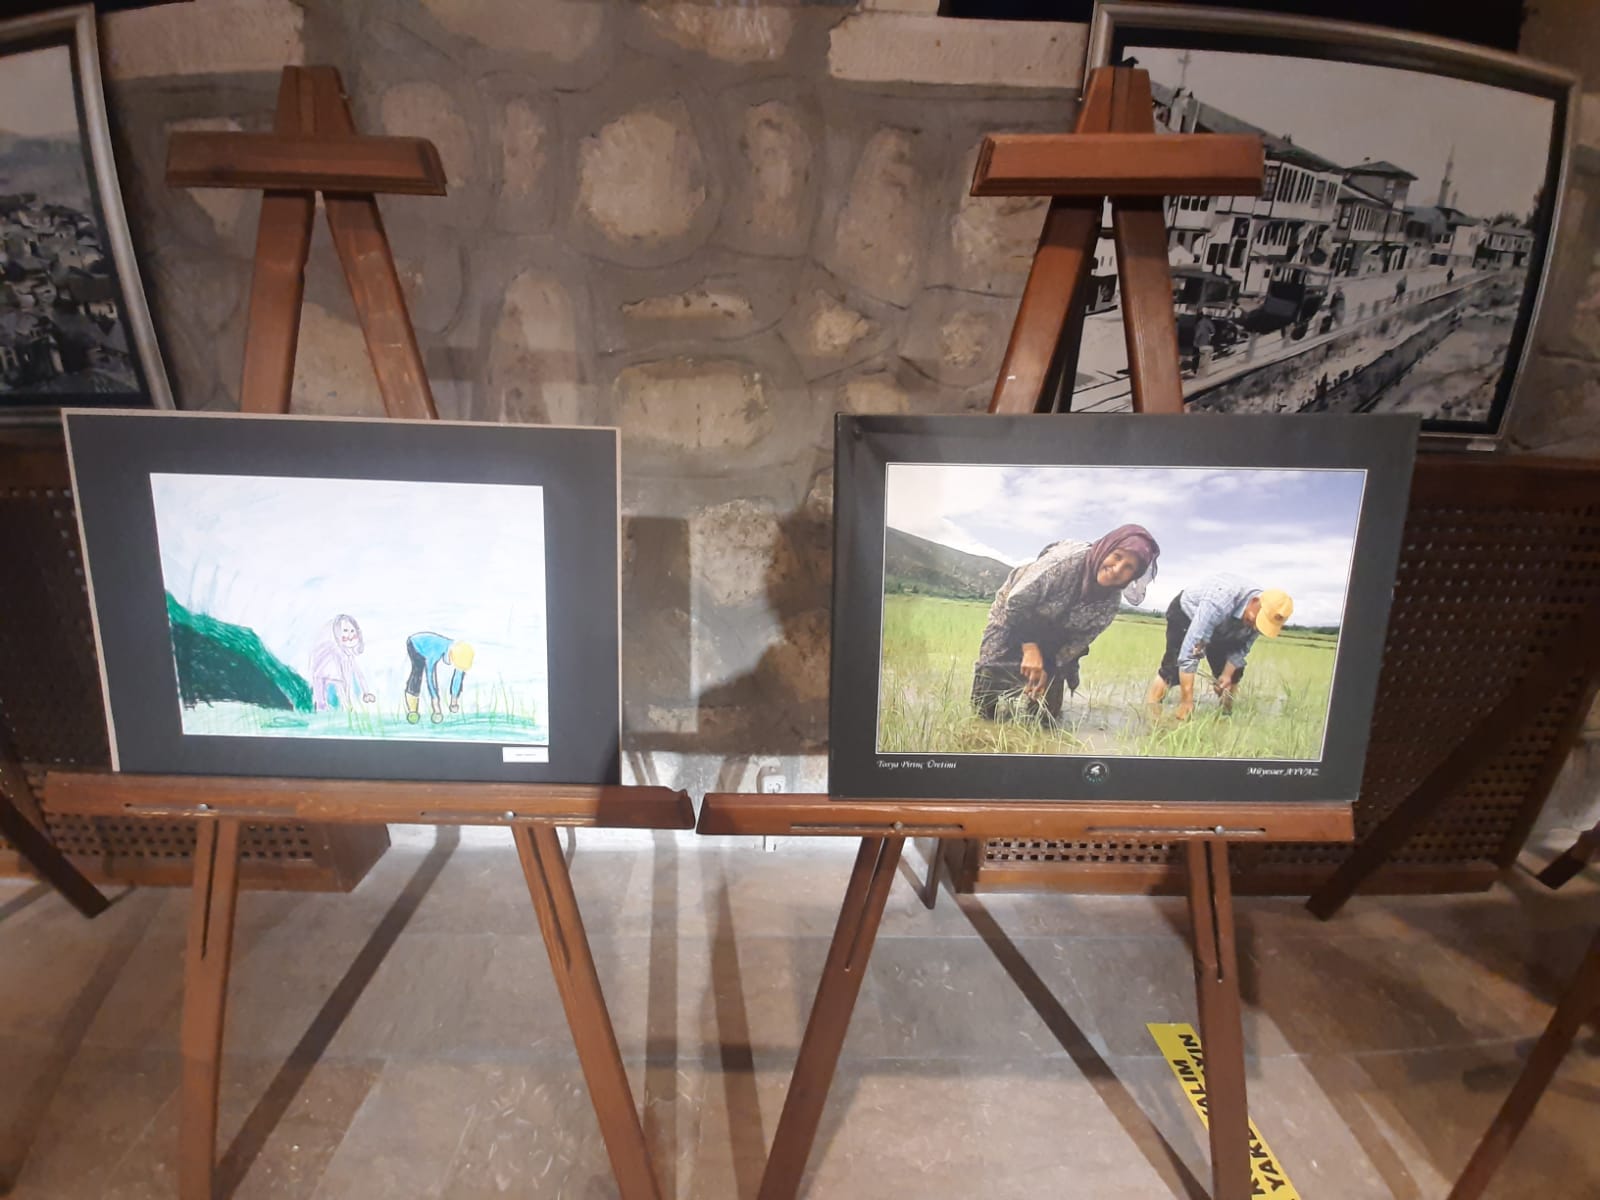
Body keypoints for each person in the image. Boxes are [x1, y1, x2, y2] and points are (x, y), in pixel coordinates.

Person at [971, 524, 1161, 723]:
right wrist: (1029, 648)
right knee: (992, 669)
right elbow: (1017, 602)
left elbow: (1076, 643)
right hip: (1015, 612)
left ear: (1134, 576)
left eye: (1129, 567)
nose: (1117, 569)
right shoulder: (1066, 562)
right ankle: (983, 721)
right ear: (1106, 548)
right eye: (1117, 556)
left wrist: (1049, 667)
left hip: (1056, 632)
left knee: (1048, 710)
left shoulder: (1109, 604)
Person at [1145, 576, 1293, 721]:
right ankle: (1151, 714)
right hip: (1187, 613)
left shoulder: (1260, 617)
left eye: (1261, 626)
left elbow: (1241, 649)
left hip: (1225, 625)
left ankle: (1225, 716)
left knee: (1233, 674)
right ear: (1254, 602)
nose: (1255, 628)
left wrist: (1227, 675)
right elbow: (1190, 653)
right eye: (1256, 621)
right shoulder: (1220, 600)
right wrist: (1186, 702)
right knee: (1173, 669)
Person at [404, 632, 476, 724]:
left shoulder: (461, 654)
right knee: (417, 672)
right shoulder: (435, 652)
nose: (452, 663)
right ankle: (412, 710)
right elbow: (430, 677)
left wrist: (454, 702)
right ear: (450, 653)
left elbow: (458, 677)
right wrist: (436, 702)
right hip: (415, 644)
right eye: (452, 660)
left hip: (428, 645)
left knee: (422, 672)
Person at [308, 614, 374, 711]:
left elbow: (359, 675)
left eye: (352, 631)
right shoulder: (334, 653)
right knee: (332, 705)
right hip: (329, 684)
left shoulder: (349, 656)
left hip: (339, 687)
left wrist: (366, 692)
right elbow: (321, 677)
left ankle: (342, 707)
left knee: (343, 705)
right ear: (337, 634)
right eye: (345, 631)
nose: (350, 635)